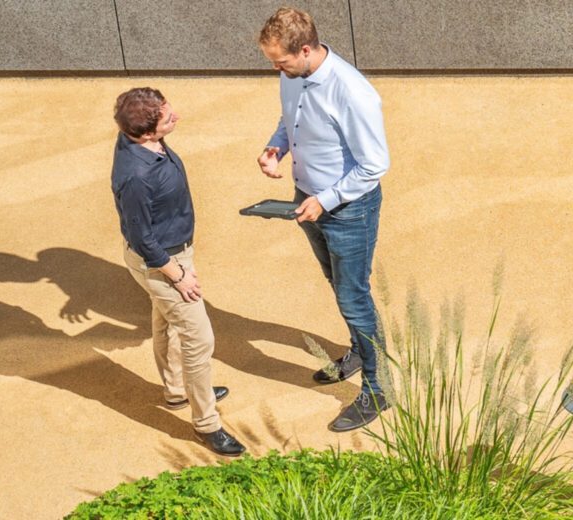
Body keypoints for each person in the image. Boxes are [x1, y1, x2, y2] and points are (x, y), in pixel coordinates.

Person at [254, 6, 393, 432]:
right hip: (308, 200)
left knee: (353, 296)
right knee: (337, 284)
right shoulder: (292, 75)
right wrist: (277, 147)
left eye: (280, 61)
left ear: (307, 49)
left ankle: (379, 388)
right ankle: (358, 349)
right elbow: (290, 120)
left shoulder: (353, 92)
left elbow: (374, 164)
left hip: (348, 209)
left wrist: (327, 199)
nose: (276, 68)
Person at [108, 87, 242, 456]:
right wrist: (178, 275)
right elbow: (141, 237)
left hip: (173, 252)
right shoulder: (135, 176)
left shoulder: (141, 141)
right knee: (199, 339)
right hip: (164, 261)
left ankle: (177, 390)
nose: (176, 117)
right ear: (147, 133)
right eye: (168, 118)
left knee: (164, 320)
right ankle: (207, 424)